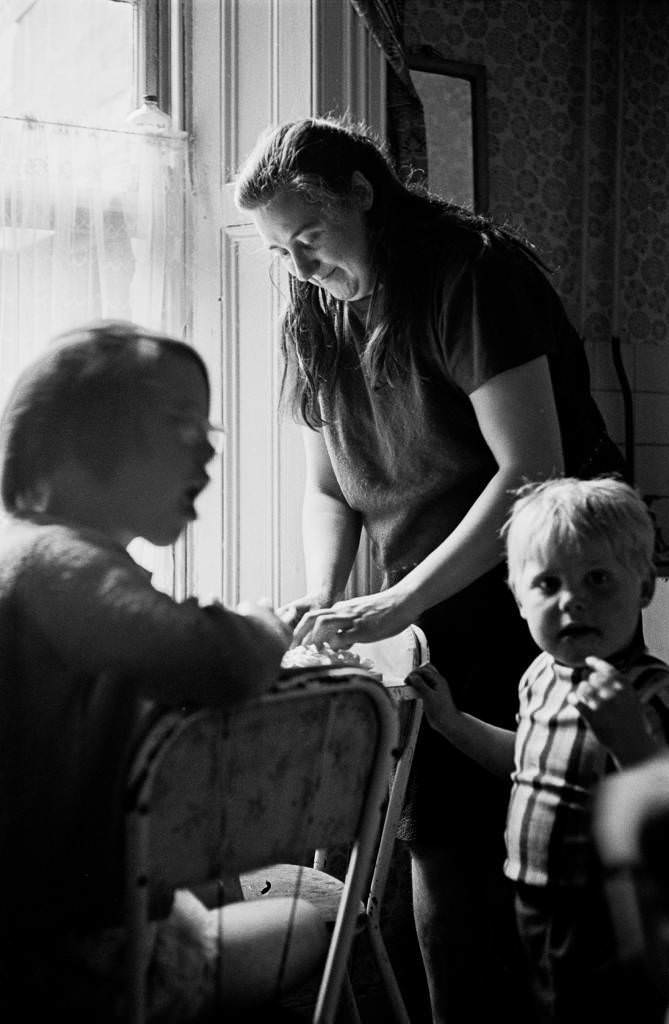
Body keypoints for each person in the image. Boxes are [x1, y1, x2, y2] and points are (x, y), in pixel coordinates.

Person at [233, 114, 627, 1021]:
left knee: (526, 854)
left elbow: (531, 470)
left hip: (537, 593)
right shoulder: (316, 305)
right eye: (278, 250)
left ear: (363, 194)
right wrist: (327, 595)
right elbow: (330, 489)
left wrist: (400, 597)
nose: (298, 266)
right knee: (421, 845)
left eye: (310, 237)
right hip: (412, 610)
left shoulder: (471, 275)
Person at [0, 320, 328, 1022]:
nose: (209, 448)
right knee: (317, 914)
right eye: (181, 423)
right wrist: (266, 625)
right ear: (83, 433)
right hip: (71, 964)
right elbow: (219, 661)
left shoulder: (30, 555)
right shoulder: (56, 561)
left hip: (54, 931)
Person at [408, 476, 669, 1024]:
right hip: (529, 900)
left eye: (598, 579)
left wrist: (632, 743)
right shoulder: (538, 677)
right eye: (547, 584)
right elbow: (524, 762)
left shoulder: (651, 691)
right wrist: (452, 723)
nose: (572, 599)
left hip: (612, 914)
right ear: (518, 599)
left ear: (644, 587)